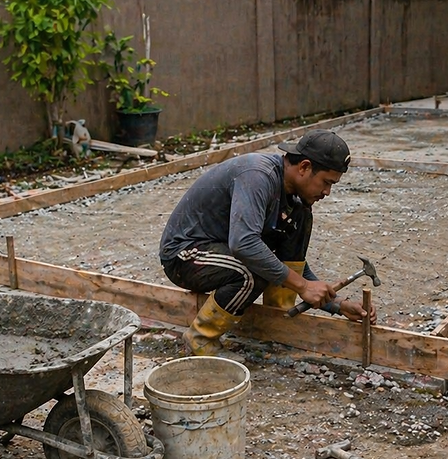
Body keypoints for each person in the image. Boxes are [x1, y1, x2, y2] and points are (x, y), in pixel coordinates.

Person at [160, 129, 377, 357]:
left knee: (297, 221)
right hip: (184, 256)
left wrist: (337, 304)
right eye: (326, 182)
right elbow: (243, 245)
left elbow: (291, 264)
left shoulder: (295, 199)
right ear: (304, 167)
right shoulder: (257, 176)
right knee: (252, 272)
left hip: (221, 253)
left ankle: (278, 324)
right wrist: (303, 287)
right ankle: (199, 340)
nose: (327, 192)